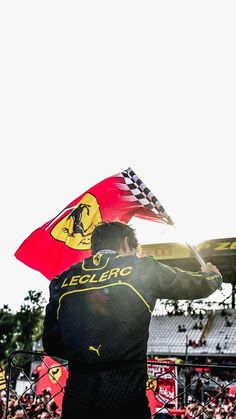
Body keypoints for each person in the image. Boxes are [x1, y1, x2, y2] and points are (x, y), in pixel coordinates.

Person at [42, 221, 222, 419]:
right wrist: (213, 277)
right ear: (126, 243)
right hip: (125, 397)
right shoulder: (141, 268)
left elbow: (51, 343)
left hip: (77, 401)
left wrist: (87, 353)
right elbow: (192, 285)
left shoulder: (62, 280)